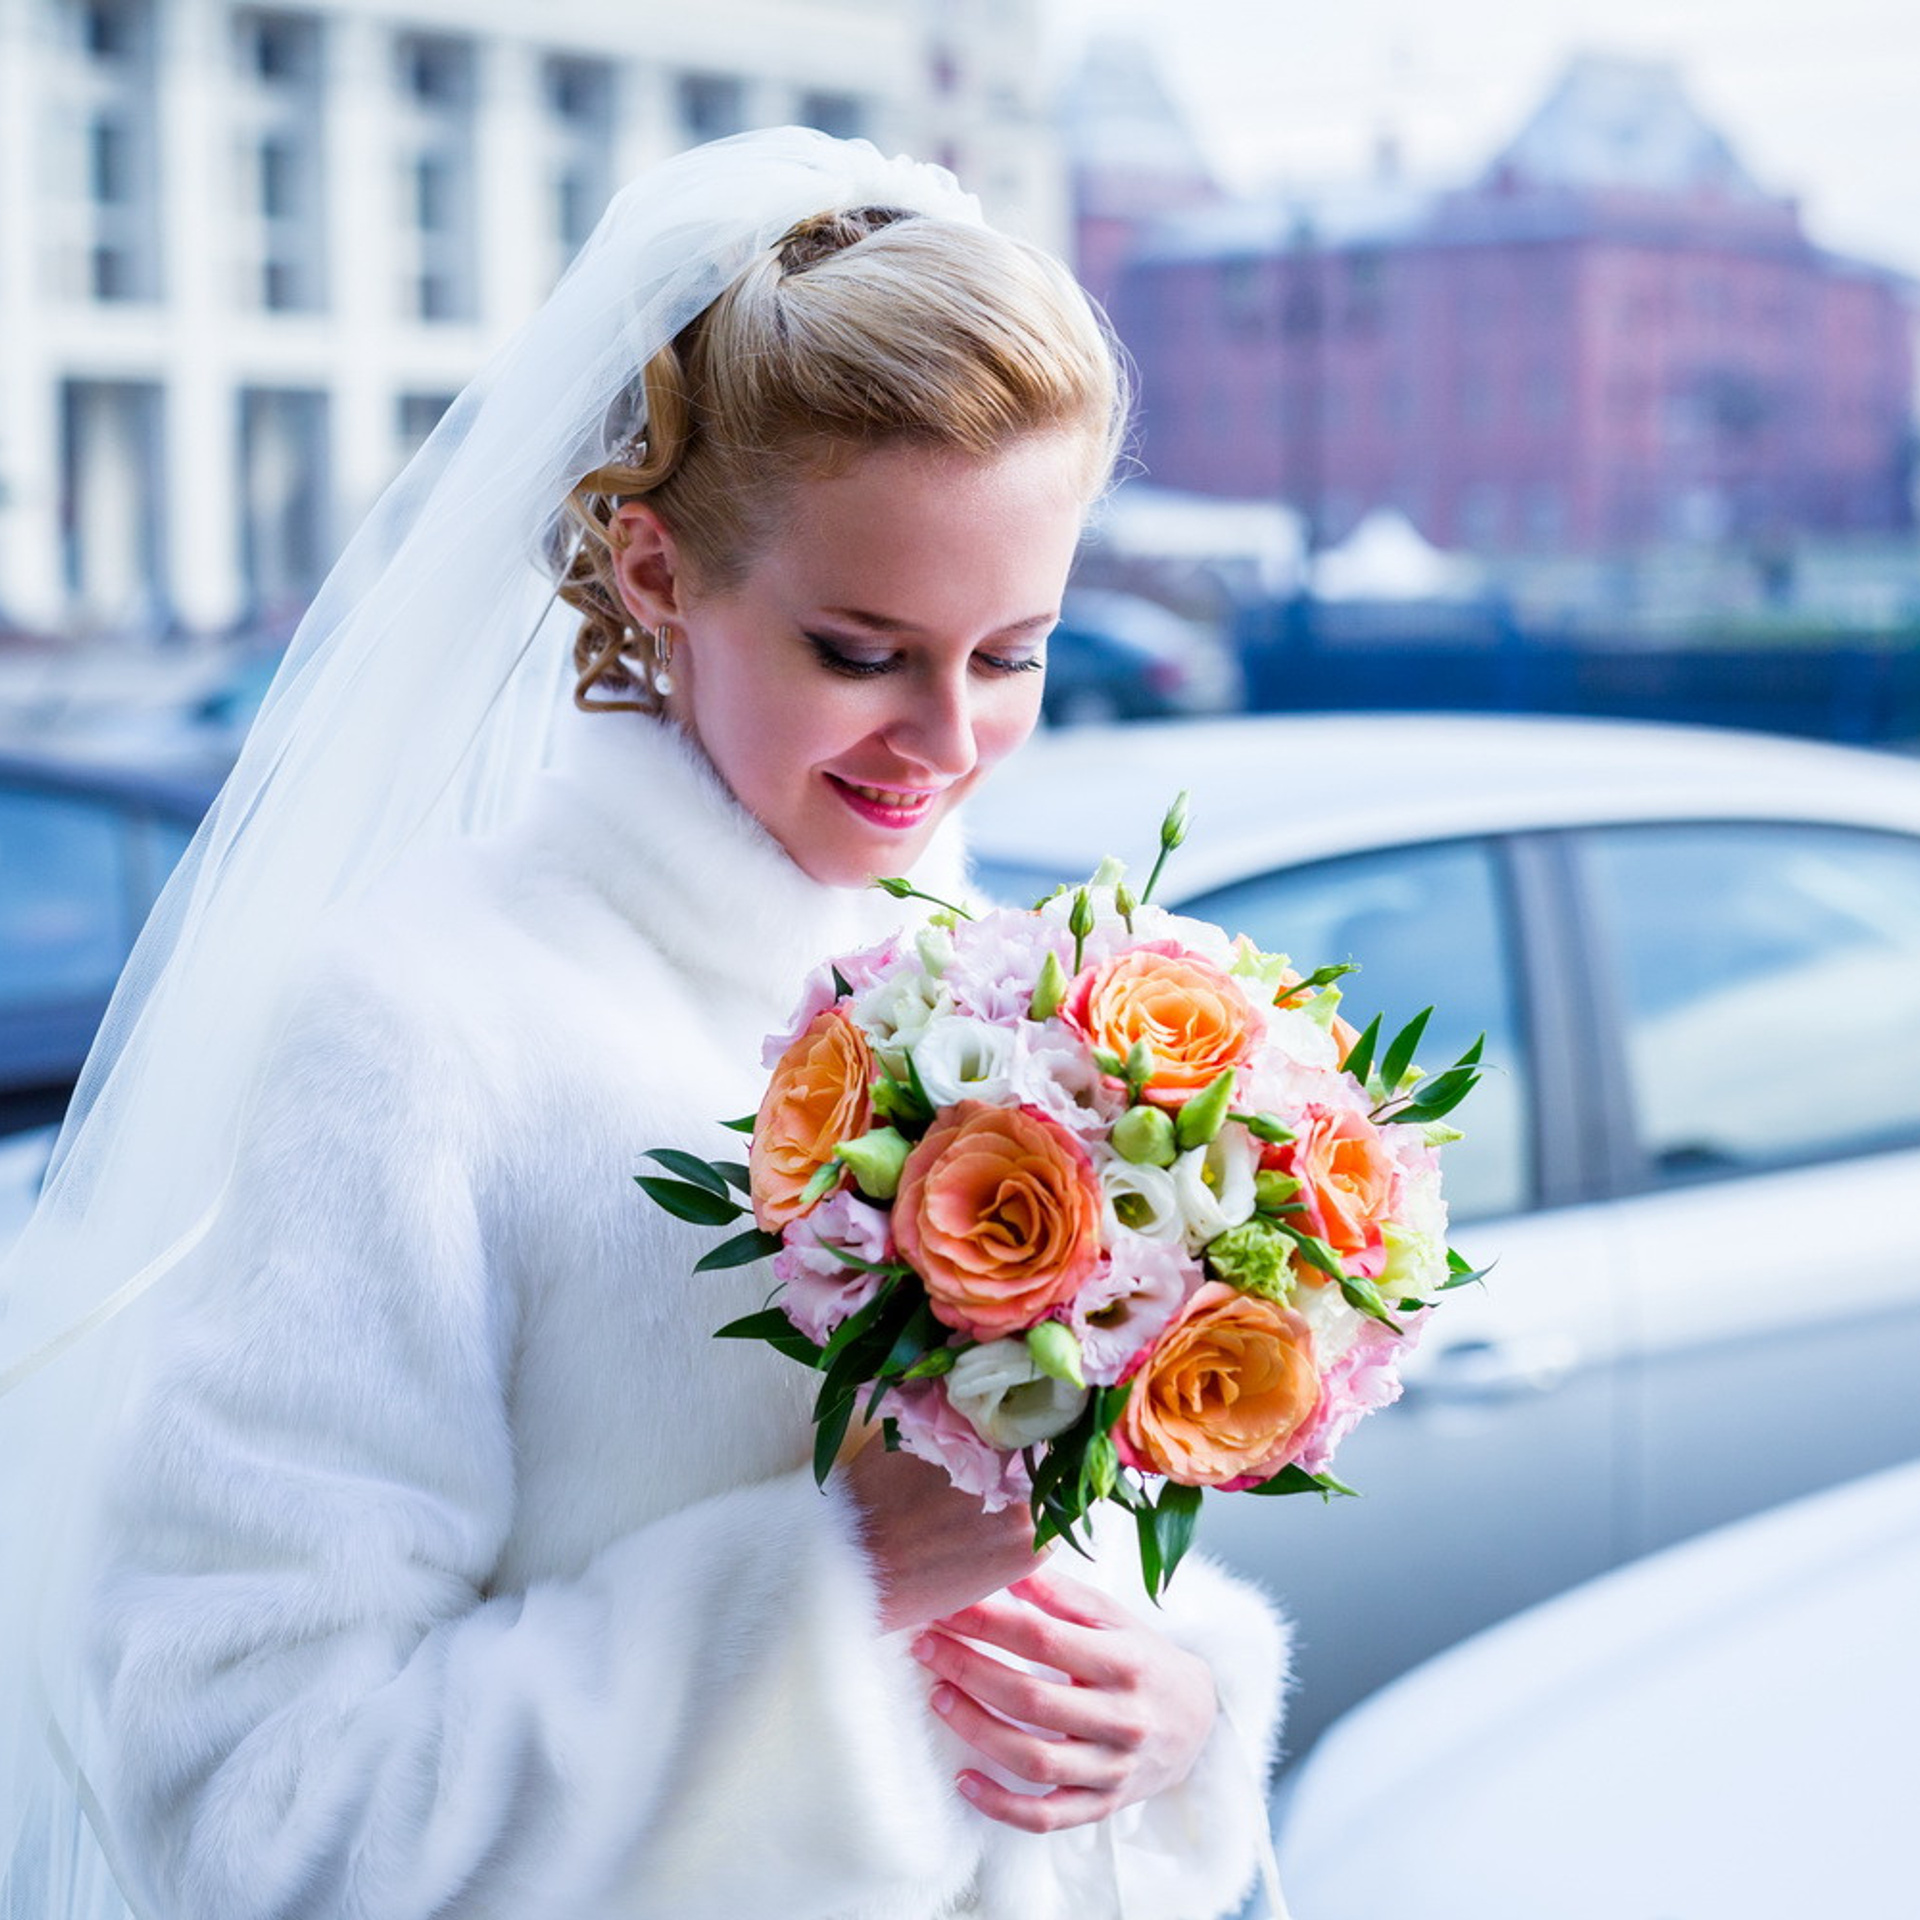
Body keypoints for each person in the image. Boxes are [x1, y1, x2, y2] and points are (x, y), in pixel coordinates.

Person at [0, 130, 1286, 1920]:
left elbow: (1024, 1593)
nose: (946, 739)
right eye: (862, 649)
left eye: (1011, 654)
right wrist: (827, 1580)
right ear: (657, 571)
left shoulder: (1020, 999)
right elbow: (253, 1804)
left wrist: (1169, 1713)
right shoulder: (419, 1033)